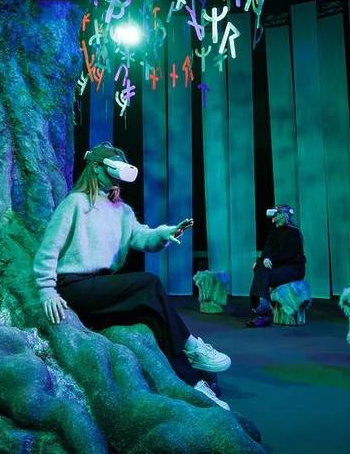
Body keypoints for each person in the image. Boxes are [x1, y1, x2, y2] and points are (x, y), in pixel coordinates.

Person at [34, 142, 232, 409]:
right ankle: (191, 344)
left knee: (153, 318)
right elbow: (48, 249)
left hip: (101, 287)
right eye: (113, 169)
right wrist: (47, 289)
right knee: (149, 283)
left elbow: (141, 237)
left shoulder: (122, 210)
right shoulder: (75, 203)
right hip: (74, 287)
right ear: (95, 168)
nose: (118, 177)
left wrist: (166, 233)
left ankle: (193, 383)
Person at [247, 205, 306, 328]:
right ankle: (263, 308)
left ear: (282, 216)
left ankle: (261, 308)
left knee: (261, 269)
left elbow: (288, 255)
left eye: (277, 213)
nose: (273, 216)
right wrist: (265, 259)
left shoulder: (294, 233)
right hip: (277, 267)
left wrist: (268, 260)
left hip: (293, 269)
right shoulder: (273, 232)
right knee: (260, 265)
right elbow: (267, 250)